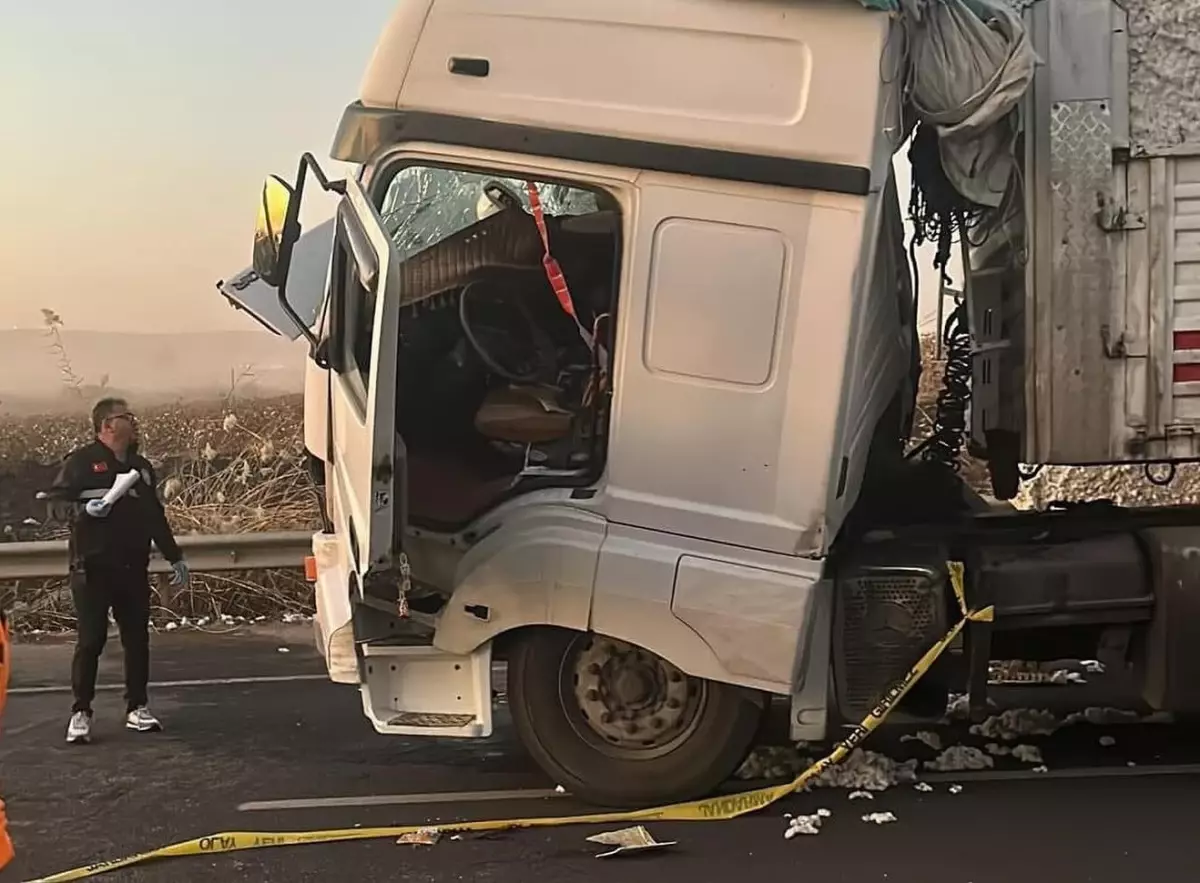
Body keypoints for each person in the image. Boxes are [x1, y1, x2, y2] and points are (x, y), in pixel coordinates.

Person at [45, 397, 189, 744]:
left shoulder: (140, 467)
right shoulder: (80, 463)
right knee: (91, 641)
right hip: (92, 569)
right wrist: (83, 512)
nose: (133, 421)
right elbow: (55, 505)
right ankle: (81, 711)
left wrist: (174, 556)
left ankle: (137, 708)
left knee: (136, 640)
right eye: (126, 416)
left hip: (131, 568)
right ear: (107, 425)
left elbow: (154, 516)